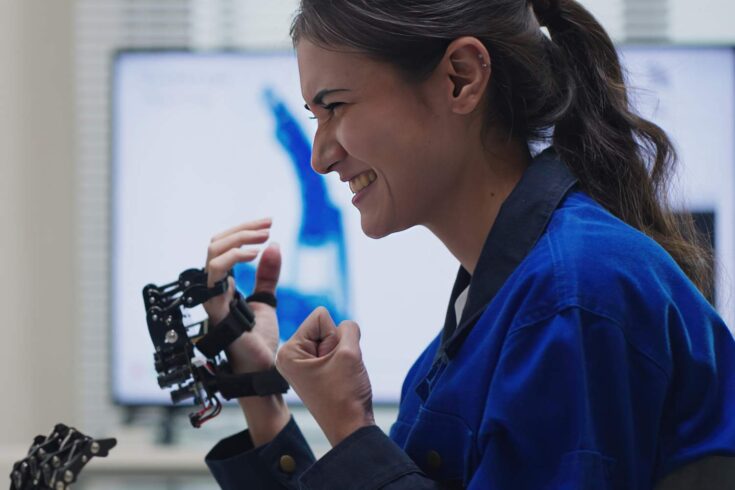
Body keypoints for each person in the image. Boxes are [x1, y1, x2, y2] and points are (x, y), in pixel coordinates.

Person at [201, 0, 735, 488]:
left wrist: (349, 428)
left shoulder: (571, 298)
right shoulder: (505, 313)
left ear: (461, 79)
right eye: (314, 118)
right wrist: (259, 389)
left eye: (336, 106)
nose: (320, 157)